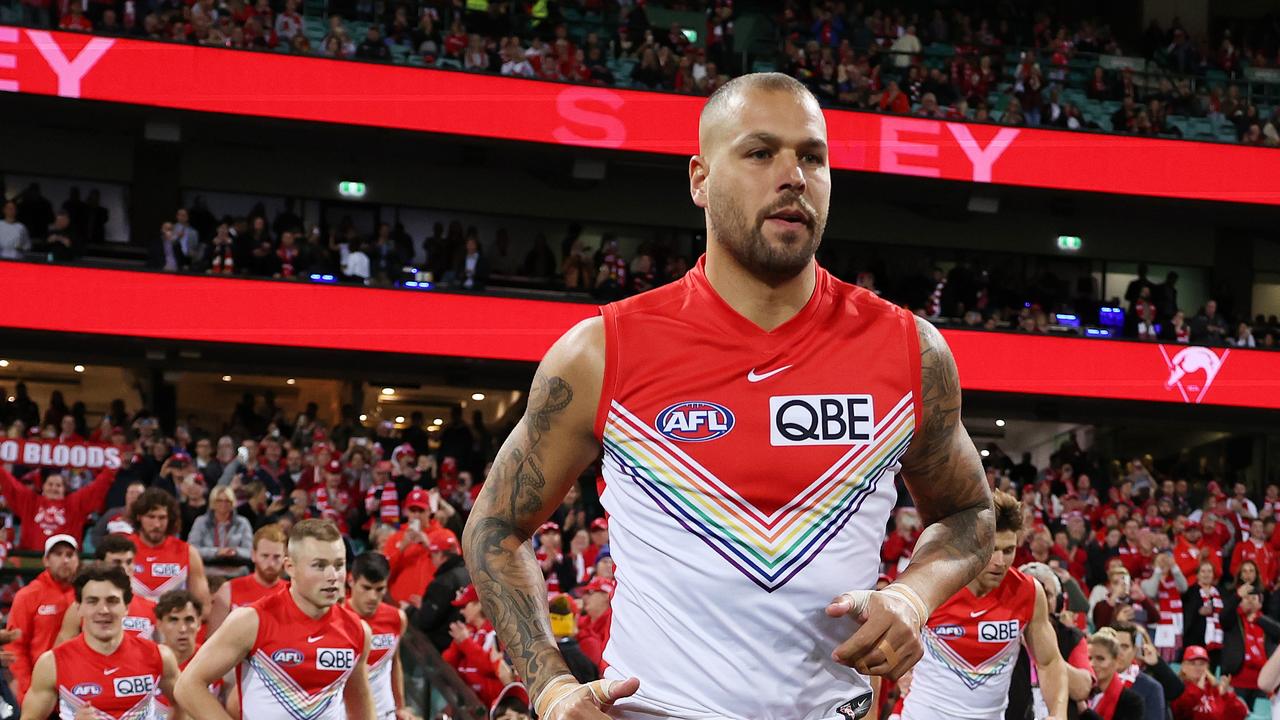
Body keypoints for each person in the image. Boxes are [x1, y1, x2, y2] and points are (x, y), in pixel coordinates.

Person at [463, 72, 995, 720]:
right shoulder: (601, 353)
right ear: (700, 178)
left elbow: (969, 515)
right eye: (760, 151)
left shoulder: (910, 351)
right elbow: (494, 526)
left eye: (813, 156)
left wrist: (915, 595)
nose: (793, 174)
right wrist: (550, 686)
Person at [176, 519, 375, 719]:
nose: (333, 576)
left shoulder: (357, 630)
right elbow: (188, 686)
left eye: (339, 565)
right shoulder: (252, 621)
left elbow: (360, 705)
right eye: (319, 565)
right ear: (290, 567)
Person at [900, 490, 1067, 719]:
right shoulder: (934, 584)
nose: (1000, 562)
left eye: (1009, 550)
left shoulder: (1028, 592)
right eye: (992, 549)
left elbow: (1049, 662)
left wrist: (1058, 713)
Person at [19, 563, 184, 719]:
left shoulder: (159, 656)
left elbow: (185, 706)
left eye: (112, 601)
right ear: (79, 608)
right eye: (92, 601)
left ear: (126, 607)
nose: (103, 610)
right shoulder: (52, 663)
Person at [5, 534, 80, 700]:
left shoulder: (87, 594)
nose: (65, 560)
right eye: (58, 554)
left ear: (77, 560)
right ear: (46, 560)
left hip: (79, 687)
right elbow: (15, 647)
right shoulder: (28, 595)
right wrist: (27, 691)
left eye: (69, 554)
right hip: (41, 686)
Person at [346, 552, 418, 720]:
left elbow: (394, 661)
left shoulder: (396, 618)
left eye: (379, 589)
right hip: (346, 714)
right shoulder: (336, 619)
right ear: (351, 581)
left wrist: (400, 706)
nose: (372, 597)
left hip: (384, 712)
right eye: (366, 588)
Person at [125, 488, 212, 615]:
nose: (156, 524)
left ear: (170, 519)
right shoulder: (123, 549)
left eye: (162, 518)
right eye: (151, 517)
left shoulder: (188, 552)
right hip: (131, 625)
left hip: (173, 626)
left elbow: (203, 607)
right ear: (139, 517)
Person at [57, 534, 158, 642]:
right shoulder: (80, 608)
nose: (124, 568)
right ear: (100, 564)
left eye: (129, 562)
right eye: (116, 562)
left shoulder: (152, 608)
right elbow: (61, 654)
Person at [0, 464, 116, 552]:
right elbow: (10, 484)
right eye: (50, 484)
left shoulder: (74, 504)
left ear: (64, 489)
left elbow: (96, 488)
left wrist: (110, 470)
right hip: (31, 561)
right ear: (43, 487)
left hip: (64, 564)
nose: (53, 488)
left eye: (58, 485)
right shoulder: (30, 502)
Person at [154, 590, 232, 718]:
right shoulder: (146, 660)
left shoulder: (216, 660)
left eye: (189, 620)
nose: (182, 629)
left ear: (199, 623)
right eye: (173, 620)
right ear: (159, 624)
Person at [208, 524, 289, 633]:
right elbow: (213, 640)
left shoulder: (293, 592)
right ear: (253, 555)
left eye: (277, 557)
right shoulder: (228, 590)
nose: (270, 563)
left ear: (285, 557)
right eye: (265, 556)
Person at [443, 584, 506, 705]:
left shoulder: (496, 631)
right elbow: (446, 664)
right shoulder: (468, 631)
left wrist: (466, 643)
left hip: (490, 705)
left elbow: (490, 667)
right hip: (467, 701)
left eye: (465, 606)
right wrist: (458, 643)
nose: (461, 611)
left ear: (478, 604)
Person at [410, 530, 469, 651]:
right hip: (462, 641)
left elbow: (425, 621)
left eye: (432, 555)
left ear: (440, 555)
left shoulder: (443, 582)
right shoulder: (468, 573)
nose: (432, 560)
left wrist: (410, 610)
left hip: (441, 648)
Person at [1170, 645, 1247, 720]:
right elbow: (1179, 712)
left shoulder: (1214, 689)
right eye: (1192, 663)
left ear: (1207, 667)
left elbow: (1240, 715)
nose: (1197, 668)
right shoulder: (1178, 688)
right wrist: (1197, 690)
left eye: (1202, 664)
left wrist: (1227, 695)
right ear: (1183, 667)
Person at [1084, 628, 1145, 720]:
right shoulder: (1078, 693)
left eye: (1100, 658)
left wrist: (1085, 712)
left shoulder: (1131, 702)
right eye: (1089, 658)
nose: (1092, 664)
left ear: (1116, 661)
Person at [188, 485, 255, 563]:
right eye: (219, 500)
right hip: (207, 567)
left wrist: (235, 552)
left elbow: (249, 552)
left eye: (227, 501)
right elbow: (192, 549)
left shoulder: (243, 522)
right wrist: (217, 552)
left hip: (236, 567)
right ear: (213, 502)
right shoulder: (201, 522)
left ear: (232, 503)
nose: (223, 504)